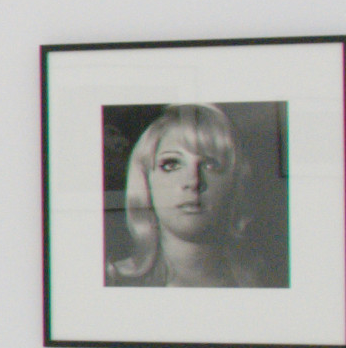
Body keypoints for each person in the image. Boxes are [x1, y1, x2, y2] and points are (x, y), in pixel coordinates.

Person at [108, 105, 276, 286]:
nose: (194, 181)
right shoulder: (111, 280)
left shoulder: (265, 281)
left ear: (236, 182)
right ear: (145, 180)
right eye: (172, 165)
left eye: (210, 165)